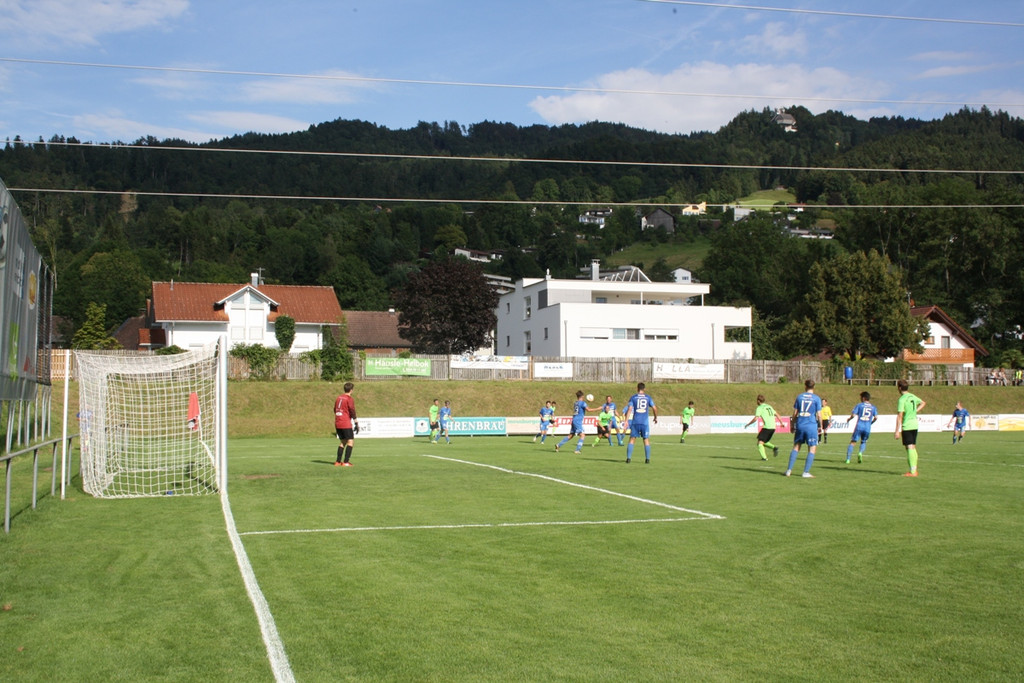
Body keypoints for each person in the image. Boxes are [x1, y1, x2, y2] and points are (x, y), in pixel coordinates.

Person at [787, 379, 822, 478]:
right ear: (814, 387)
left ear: (805, 386)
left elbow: (795, 413)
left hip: (800, 424)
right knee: (812, 448)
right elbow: (819, 414)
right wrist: (820, 426)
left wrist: (792, 424)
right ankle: (806, 472)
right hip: (811, 425)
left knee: (796, 447)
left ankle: (789, 470)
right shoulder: (816, 398)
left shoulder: (799, 397)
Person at [895, 379, 926, 477]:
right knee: (911, 447)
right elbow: (923, 403)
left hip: (907, 425)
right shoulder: (912, 396)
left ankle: (913, 471)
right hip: (915, 424)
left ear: (899, 388)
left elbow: (900, 415)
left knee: (909, 447)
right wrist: (915, 411)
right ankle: (913, 469)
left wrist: (897, 430)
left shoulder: (902, 399)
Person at [624, 382, 658, 464]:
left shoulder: (633, 397)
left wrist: (626, 421)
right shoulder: (648, 397)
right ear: (644, 389)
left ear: (637, 388)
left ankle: (628, 459)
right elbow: (654, 408)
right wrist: (655, 417)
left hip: (635, 421)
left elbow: (629, 409)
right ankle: (647, 459)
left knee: (632, 439)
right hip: (644, 422)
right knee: (646, 439)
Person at [744, 394, 780, 461]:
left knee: (759, 443)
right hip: (773, 427)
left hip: (767, 427)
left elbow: (756, 418)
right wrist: (781, 423)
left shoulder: (760, 407)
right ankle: (774, 448)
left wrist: (748, 424)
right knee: (764, 441)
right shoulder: (769, 406)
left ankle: (764, 458)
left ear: (758, 401)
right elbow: (777, 414)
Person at [846, 392, 877, 464]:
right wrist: (871, 423)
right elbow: (876, 417)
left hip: (859, 426)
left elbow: (853, 415)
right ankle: (860, 452)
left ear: (863, 398)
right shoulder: (873, 407)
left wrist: (849, 419)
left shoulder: (859, 405)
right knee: (863, 441)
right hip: (867, 427)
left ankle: (848, 459)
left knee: (853, 442)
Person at [333, 382, 358, 467]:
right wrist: (356, 422)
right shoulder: (349, 398)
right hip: (345, 423)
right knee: (350, 441)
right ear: (351, 390)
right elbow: (352, 410)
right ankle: (346, 462)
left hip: (337, 422)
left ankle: (337, 461)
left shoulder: (338, 398)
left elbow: (335, 409)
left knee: (343, 442)